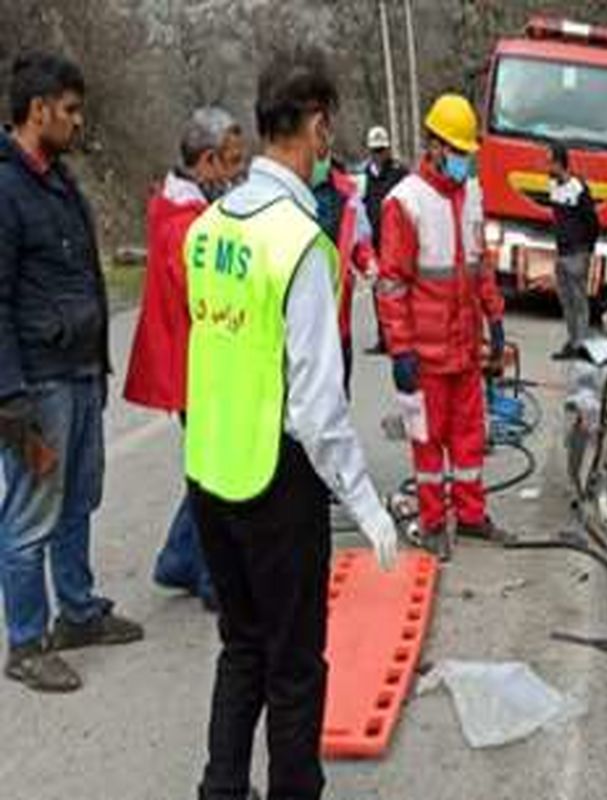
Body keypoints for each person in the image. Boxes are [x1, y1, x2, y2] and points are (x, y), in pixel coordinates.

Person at [183, 47, 399, 800]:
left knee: (241, 647)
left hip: (210, 472)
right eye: (326, 133)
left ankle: (220, 789)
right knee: (296, 665)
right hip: (277, 484)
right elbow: (317, 407)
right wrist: (368, 507)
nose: (326, 148)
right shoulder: (300, 243)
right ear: (314, 126)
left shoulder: (207, 229)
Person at [0, 52, 144, 693]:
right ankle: (27, 641)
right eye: (71, 109)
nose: (79, 121)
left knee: (78, 498)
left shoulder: (56, 180)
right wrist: (9, 395)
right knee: (32, 512)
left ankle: (78, 611)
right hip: (37, 382)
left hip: (79, 370)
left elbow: (82, 274)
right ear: (39, 111)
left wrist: (99, 362)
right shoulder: (6, 188)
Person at [124, 106, 245, 612]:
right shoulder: (186, 224)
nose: (238, 171)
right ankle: (212, 575)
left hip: (195, 362)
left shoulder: (182, 210)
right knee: (214, 473)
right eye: (232, 162)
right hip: (195, 366)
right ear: (208, 161)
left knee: (204, 468)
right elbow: (206, 295)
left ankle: (179, 557)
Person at [378, 93, 507, 561]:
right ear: (432, 146)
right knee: (428, 444)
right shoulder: (405, 203)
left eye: (466, 153)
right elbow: (391, 284)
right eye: (455, 151)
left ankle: (471, 515)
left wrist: (494, 316)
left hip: (464, 348)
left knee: (470, 435)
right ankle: (433, 522)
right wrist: (401, 351)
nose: (462, 161)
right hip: (426, 354)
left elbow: (481, 266)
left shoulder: (473, 195)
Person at [311, 155, 378, 393]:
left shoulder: (347, 194)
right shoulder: (286, 192)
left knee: (339, 397)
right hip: (299, 322)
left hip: (339, 316)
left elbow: (359, 239)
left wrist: (368, 261)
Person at [547, 141, 599, 360]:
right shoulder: (553, 187)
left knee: (579, 300)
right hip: (562, 252)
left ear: (560, 163)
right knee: (566, 301)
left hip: (578, 252)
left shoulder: (578, 188)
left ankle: (582, 344)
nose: (546, 166)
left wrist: (587, 247)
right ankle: (572, 339)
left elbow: (592, 222)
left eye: (550, 161)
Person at [362, 125, 405, 355]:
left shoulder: (399, 173)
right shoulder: (366, 176)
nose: (378, 155)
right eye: (374, 151)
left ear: (388, 149)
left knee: (396, 291)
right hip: (375, 241)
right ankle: (383, 338)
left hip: (396, 243)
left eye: (382, 150)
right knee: (378, 292)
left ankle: (398, 338)